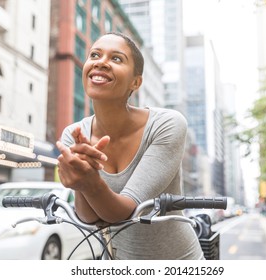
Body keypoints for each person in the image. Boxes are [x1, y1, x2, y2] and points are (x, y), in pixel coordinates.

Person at [56, 32, 204, 260]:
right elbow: (89, 219)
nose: (101, 62)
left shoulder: (167, 124)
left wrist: (90, 181)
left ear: (136, 82)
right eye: (94, 55)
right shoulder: (74, 135)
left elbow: (126, 211)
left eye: (116, 58)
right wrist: (83, 183)